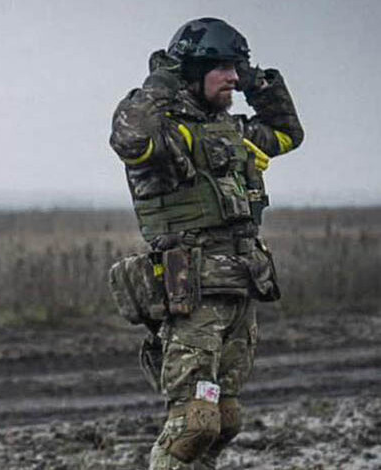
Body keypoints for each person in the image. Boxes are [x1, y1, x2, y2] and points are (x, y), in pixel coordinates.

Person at [108, 18, 304, 469]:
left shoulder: (230, 130)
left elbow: (287, 133)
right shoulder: (168, 137)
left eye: (236, 68)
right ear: (192, 72)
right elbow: (130, 139)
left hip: (239, 291)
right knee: (191, 425)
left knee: (223, 419)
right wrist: (162, 82)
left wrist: (257, 83)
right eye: (223, 68)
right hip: (192, 297)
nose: (232, 77)